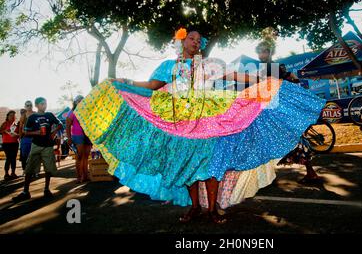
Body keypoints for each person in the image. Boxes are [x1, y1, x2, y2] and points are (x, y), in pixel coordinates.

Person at [74, 28, 325, 224]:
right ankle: (194, 207)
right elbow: (151, 87)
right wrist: (125, 81)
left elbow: (233, 76)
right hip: (178, 120)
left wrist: (261, 78)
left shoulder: (208, 64)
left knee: (211, 163)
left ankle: (212, 209)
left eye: (199, 39)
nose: (196, 41)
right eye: (191, 38)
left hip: (208, 117)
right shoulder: (168, 67)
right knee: (188, 163)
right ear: (182, 41)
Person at [255, 34, 319, 182]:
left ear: (269, 53)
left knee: (282, 140)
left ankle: (310, 172)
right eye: (259, 52)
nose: (260, 54)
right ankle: (309, 172)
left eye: (263, 51)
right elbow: (290, 78)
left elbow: (271, 86)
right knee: (274, 140)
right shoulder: (271, 67)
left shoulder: (270, 67)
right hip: (273, 109)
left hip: (275, 110)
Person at [12, 97, 63, 202]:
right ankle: (26, 192)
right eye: (42, 104)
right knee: (29, 168)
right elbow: (26, 132)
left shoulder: (49, 115)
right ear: (36, 105)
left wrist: (53, 133)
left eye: (45, 103)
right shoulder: (32, 117)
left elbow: (60, 124)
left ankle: (46, 189)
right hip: (36, 145)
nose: (44, 105)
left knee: (48, 169)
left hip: (48, 145)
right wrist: (37, 132)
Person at [66, 95, 92, 183]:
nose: (80, 102)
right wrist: (69, 138)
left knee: (86, 156)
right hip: (77, 135)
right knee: (79, 157)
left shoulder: (87, 110)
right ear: (75, 102)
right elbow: (67, 126)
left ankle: (86, 176)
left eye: (82, 100)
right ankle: (79, 176)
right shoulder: (72, 112)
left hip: (87, 135)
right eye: (78, 101)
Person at [1, 110, 19, 180]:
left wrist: (16, 135)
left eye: (13, 115)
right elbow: (0, 131)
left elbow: (19, 134)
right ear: (7, 116)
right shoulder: (5, 123)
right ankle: (6, 174)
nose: (12, 117)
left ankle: (13, 173)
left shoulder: (16, 124)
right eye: (10, 115)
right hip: (6, 144)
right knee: (8, 158)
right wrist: (5, 131)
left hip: (15, 143)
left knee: (13, 158)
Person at [18, 100, 35, 171]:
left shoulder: (35, 114)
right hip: (25, 138)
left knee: (34, 155)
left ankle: (34, 171)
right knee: (25, 155)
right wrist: (20, 137)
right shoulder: (23, 116)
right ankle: (25, 170)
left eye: (30, 105)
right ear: (25, 106)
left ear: (32, 106)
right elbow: (20, 127)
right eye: (27, 105)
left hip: (35, 137)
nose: (29, 107)